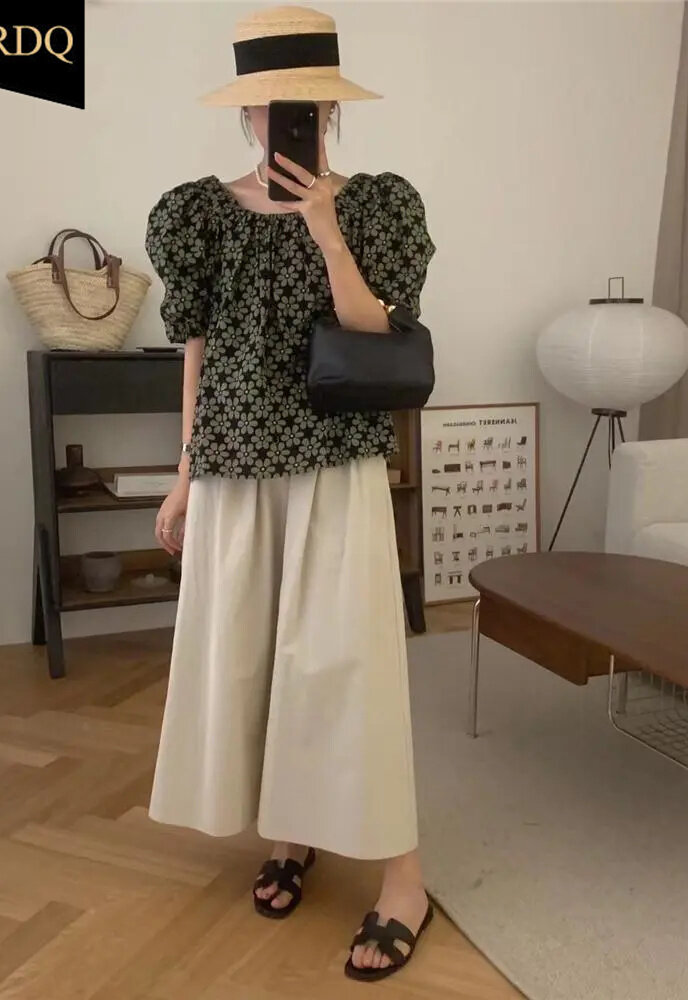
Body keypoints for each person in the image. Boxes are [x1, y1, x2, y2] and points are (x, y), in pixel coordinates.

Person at [145, 5, 437, 982]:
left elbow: (378, 332)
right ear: (246, 112)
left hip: (336, 460)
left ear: (330, 112)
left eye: (304, 105)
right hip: (232, 469)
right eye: (271, 105)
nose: (286, 122)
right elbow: (195, 350)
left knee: (353, 668)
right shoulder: (193, 213)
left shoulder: (380, 204)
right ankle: (291, 831)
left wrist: (325, 230)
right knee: (253, 661)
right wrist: (183, 475)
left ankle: (404, 879)